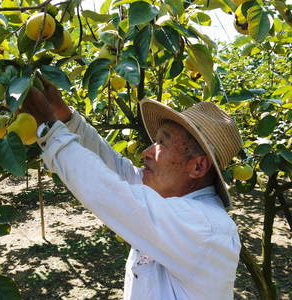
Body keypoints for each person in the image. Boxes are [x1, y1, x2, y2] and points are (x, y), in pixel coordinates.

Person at [21, 79, 242, 300]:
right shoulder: (168, 197)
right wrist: (65, 117)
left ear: (198, 166)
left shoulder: (204, 227)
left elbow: (110, 193)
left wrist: (48, 126)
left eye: (162, 144)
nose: (147, 151)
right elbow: (115, 168)